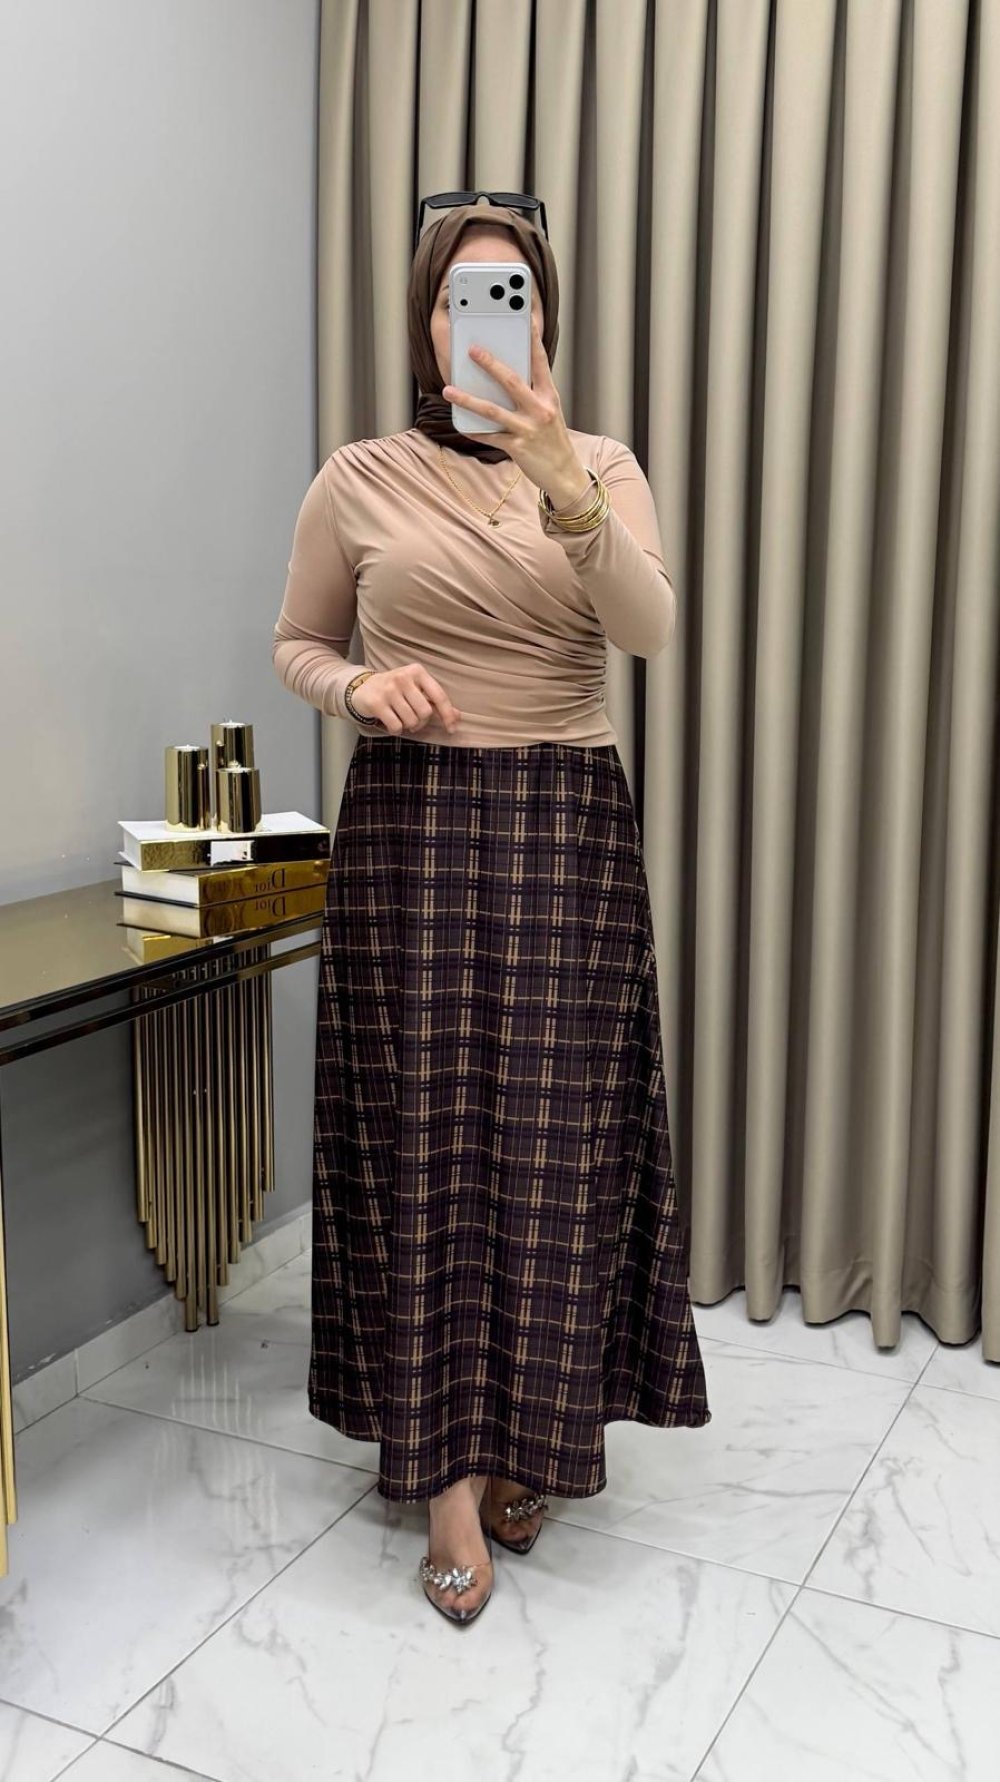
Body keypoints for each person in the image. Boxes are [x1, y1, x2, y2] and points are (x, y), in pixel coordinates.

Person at [272, 195, 711, 1627]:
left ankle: (537, 1432)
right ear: (425, 323)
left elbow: (647, 629)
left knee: (554, 1147)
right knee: (422, 1144)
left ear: (544, 320)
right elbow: (298, 640)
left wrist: (560, 474)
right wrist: (358, 686)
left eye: (510, 294)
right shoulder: (356, 478)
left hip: (565, 827)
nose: (484, 318)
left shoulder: (602, 466)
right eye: (463, 295)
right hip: (409, 824)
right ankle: (447, 1478)